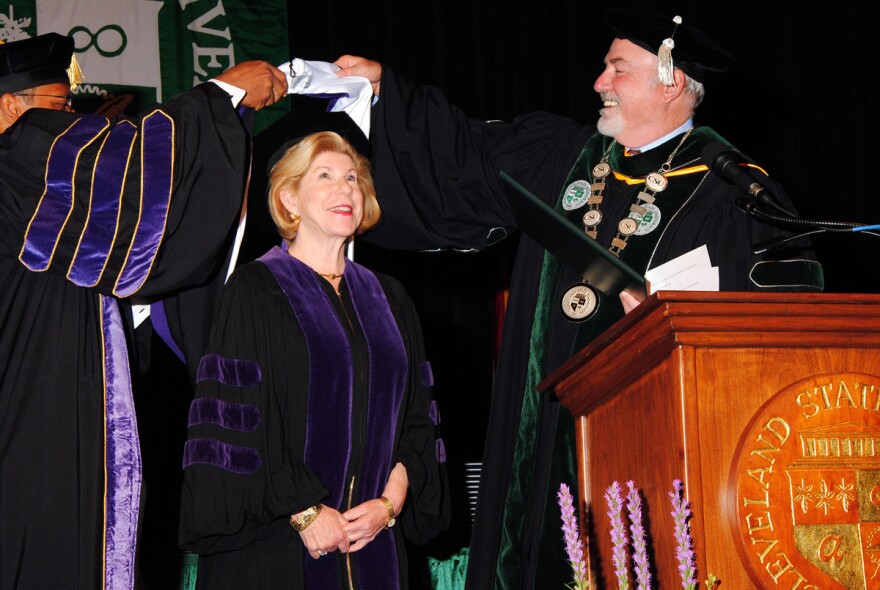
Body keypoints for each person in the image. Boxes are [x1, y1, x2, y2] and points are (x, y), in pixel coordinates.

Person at [331, 8, 824, 589]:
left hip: (649, 441)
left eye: (617, 69)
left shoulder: (733, 190)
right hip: (534, 436)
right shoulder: (563, 154)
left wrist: (676, 325)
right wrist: (386, 89)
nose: (599, 82)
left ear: (669, 81)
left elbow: (784, 331)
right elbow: (462, 153)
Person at [0, 32, 288, 590]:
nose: (68, 124)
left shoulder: (30, 195)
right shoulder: (15, 157)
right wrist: (224, 94)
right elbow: (132, 171)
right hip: (31, 433)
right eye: (59, 108)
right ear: (10, 108)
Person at [178, 116, 450, 589]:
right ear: (289, 198)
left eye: (352, 178)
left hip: (374, 541)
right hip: (278, 545)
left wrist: (391, 502)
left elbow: (415, 419)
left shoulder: (389, 297)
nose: (344, 188)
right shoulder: (256, 289)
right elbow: (238, 426)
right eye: (323, 176)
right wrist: (304, 511)